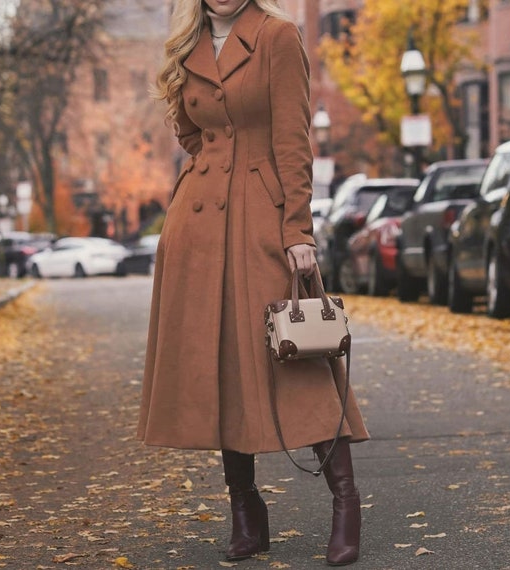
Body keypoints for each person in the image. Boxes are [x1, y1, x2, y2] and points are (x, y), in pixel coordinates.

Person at [138, 0, 370, 565]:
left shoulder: (278, 36)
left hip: (262, 222)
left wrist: (297, 229)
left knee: (299, 355)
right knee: (218, 364)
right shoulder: (186, 47)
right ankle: (244, 507)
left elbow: (294, 141)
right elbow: (191, 135)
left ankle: (345, 500)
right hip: (198, 229)